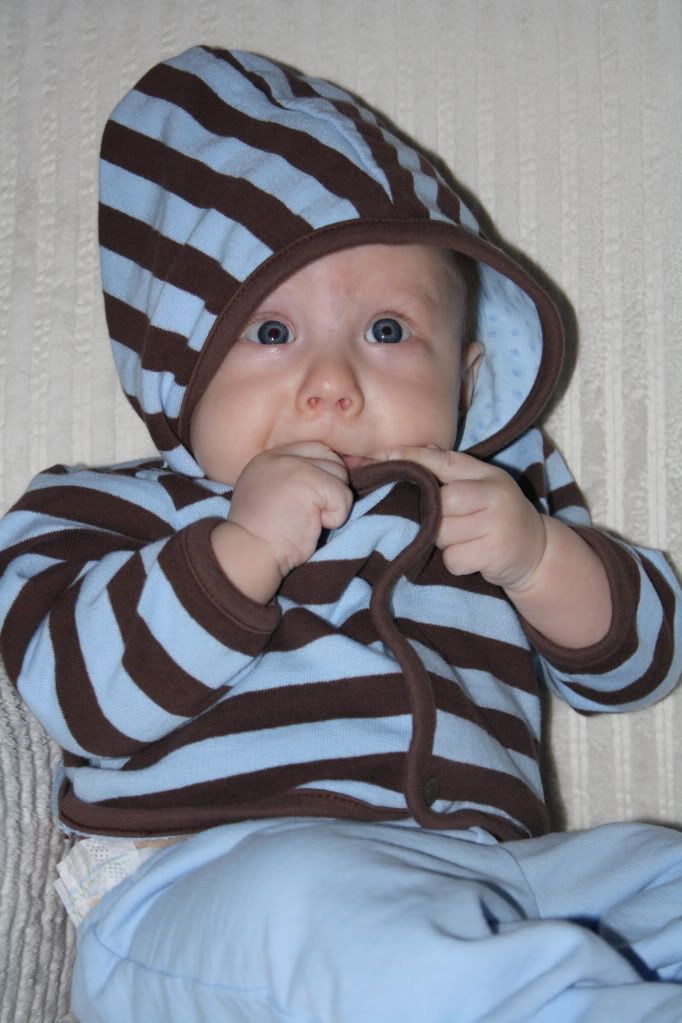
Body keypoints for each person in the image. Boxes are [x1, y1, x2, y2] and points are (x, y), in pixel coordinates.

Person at [0, 44, 680, 1023]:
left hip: (499, 875)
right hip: (214, 881)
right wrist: (241, 550)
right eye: (273, 333)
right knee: (327, 909)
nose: (331, 384)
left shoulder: (491, 497)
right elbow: (77, 699)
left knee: (657, 869)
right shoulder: (110, 509)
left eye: (387, 331)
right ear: (182, 365)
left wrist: (538, 556)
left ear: (466, 376)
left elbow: (641, 661)